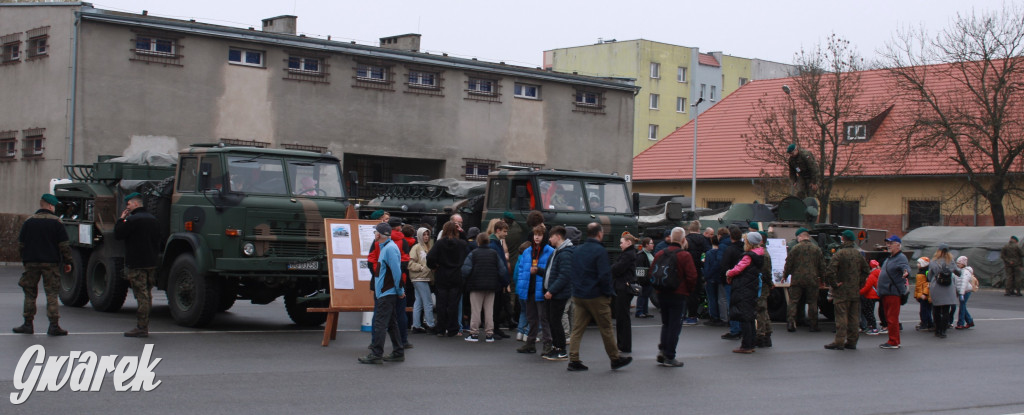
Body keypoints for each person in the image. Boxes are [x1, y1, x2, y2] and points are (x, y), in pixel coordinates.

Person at [566, 222, 633, 372]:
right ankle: (615, 358)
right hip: (596, 295)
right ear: (599, 234)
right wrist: (608, 293)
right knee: (606, 328)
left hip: (579, 295)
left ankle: (574, 359)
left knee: (577, 329)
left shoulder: (577, 250)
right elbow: (604, 275)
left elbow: (573, 272)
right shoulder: (600, 251)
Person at [13, 194, 73, 336]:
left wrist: (25, 260)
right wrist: (68, 261)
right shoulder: (57, 222)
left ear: (41, 205)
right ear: (51, 206)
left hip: (31, 262)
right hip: (50, 263)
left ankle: (28, 324)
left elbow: (21, 244)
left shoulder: (29, 222)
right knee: (51, 293)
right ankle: (53, 326)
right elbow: (64, 245)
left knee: (29, 293)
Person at [114, 192, 162, 338]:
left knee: (141, 296)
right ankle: (144, 325)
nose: (127, 207)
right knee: (147, 295)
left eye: (128, 204)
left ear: (135, 204)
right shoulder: (153, 220)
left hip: (137, 263)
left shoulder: (132, 220)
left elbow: (118, 235)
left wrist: (121, 219)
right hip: (151, 263)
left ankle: (141, 327)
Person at [359, 222, 406, 364]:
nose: (374, 234)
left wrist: (399, 290)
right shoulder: (387, 247)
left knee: (380, 323)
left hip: (387, 292)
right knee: (391, 323)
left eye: (375, 232)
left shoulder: (389, 249)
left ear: (379, 234)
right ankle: (398, 352)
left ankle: (376, 353)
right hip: (387, 291)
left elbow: (396, 272)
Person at [653, 227, 698, 367]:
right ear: (683, 240)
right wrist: (688, 291)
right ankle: (669, 355)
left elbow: (652, 272)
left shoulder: (660, 253)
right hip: (678, 294)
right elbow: (692, 276)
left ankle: (662, 349)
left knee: (666, 323)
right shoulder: (684, 255)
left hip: (662, 292)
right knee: (675, 325)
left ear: (670, 238)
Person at [824, 230, 870, 350]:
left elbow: (829, 271)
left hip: (841, 291)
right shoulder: (858, 254)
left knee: (841, 317)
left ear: (843, 239)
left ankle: (839, 341)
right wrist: (860, 283)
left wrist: (834, 284)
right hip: (854, 291)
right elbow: (866, 270)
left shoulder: (839, 254)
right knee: (854, 317)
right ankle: (852, 341)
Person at [515, 225, 554, 354]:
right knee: (531, 317)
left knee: (544, 318)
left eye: (539, 235)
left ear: (544, 237)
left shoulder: (550, 251)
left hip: (541, 289)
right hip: (529, 289)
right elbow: (521, 270)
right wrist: (521, 287)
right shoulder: (527, 251)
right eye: (535, 234)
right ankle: (530, 343)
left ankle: (548, 344)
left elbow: (551, 272)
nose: (536, 237)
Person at [462, 233, 507, 342]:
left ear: (478, 242)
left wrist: (465, 281)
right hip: (491, 286)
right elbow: (502, 270)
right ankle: (489, 334)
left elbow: (465, 270)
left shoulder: (473, 254)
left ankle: (474, 334)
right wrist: (504, 283)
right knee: (489, 311)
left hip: (476, 286)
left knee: (476, 311)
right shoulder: (494, 254)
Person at [426, 221, 468, 337]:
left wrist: (434, 266)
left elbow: (429, 257)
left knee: (441, 303)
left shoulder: (439, 243)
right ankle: (452, 328)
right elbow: (467, 246)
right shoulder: (461, 244)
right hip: (456, 275)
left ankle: (441, 328)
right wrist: (462, 232)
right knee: (453, 303)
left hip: (442, 274)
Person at [725, 232, 764, 354]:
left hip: (744, 288)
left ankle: (746, 345)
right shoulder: (760, 254)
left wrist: (728, 273)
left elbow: (738, 268)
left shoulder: (748, 256)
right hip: (751, 288)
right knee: (750, 316)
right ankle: (751, 342)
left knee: (744, 317)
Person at [542, 225, 575, 361]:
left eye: (551, 236)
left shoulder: (566, 253)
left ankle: (561, 350)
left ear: (558, 236)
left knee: (556, 321)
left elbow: (564, 276)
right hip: (553, 292)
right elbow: (552, 272)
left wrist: (551, 290)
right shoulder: (557, 251)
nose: (549, 239)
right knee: (552, 320)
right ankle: (556, 347)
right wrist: (538, 271)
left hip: (558, 294)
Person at [783, 227, 824, 333]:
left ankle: (791, 323)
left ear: (800, 237)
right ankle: (813, 325)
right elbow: (821, 266)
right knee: (812, 302)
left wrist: (784, 276)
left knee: (793, 301)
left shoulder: (795, 248)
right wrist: (823, 280)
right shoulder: (816, 249)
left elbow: (789, 263)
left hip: (797, 279)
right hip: (812, 279)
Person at [877, 235, 910, 349]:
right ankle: (892, 340)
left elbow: (905, 268)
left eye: (891, 243)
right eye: (888, 243)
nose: (889, 245)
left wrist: (906, 273)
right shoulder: (890, 258)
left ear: (898, 245)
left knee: (892, 318)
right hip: (886, 292)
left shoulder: (901, 258)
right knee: (888, 317)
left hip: (893, 292)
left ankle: (894, 341)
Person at [611, 232, 638, 354]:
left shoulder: (627, 255)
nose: (620, 245)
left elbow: (617, 269)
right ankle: (622, 344)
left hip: (623, 288)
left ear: (628, 242)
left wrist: (612, 268)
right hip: (623, 287)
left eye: (621, 242)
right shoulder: (628, 254)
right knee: (622, 317)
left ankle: (624, 345)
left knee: (623, 318)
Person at [928, 243, 960, 339]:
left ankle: (937, 330)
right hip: (948, 288)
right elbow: (958, 272)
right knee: (946, 311)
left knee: (936, 310)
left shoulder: (934, 261)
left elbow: (929, 275)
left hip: (936, 287)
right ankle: (943, 331)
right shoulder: (951, 261)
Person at [719, 226, 745, 340]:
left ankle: (735, 330)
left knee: (732, 306)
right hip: (743, 281)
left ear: (731, 237)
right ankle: (742, 328)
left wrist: (724, 279)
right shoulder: (744, 249)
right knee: (742, 306)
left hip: (731, 281)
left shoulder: (729, 250)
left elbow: (724, 266)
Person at [408, 227, 435, 334]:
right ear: (419, 235)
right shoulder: (417, 247)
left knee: (418, 301)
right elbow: (410, 263)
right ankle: (430, 324)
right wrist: (422, 268)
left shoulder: (426, 247)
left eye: (427, 234)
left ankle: (416, 325)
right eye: (424, 235)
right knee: (428, 302)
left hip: (420, 277)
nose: (426, 237)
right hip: (420, 277)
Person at [684, 221, 709, 326]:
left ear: (690, 228)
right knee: (695, 294)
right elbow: (708, 253)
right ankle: (694, 316)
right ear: (699, 229)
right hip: (698, 269)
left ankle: (686, 315)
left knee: (686, 293)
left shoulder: (686, 240)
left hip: (687, 269)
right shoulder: (704, 240)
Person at [703, 235, 726, 326]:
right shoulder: (722, 252)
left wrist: (706, 277)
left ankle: (714, 316)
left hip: (711, 278)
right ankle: (723, 316)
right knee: (721, 298)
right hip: (720, 278)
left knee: (712, 298)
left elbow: (707, 267)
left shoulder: (709, 253)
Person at [635, 237, 656, 319]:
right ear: (646, 245)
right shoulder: (641, 255)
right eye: (651, 243)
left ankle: (644, 311)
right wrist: (642, 280)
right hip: (644, 279)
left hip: (649, 278)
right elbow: (640, 269)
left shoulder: (650, 253)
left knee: (646, 295)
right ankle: (639, 311)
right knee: (642, 295)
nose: (653, 245)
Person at [859, 260, 881, 335]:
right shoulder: (878, 274)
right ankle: (872, 327)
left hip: (870, 296)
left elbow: (867, 287)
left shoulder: (871, 275)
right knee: (870, 311)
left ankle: (873, 328)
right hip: (874, 296)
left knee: (868, 312)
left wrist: (859, 292)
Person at [955, 256, 976, 329]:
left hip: (965, 291)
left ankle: (960, 323)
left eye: (959, 263)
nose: (957, 264)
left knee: (962, 306)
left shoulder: (966, 272)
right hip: (961, 291)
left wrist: (961, 293)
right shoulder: (959, 271)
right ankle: (969, 321)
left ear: (963, 264)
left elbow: (964, 283)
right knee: (962, 306)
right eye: (957, 263)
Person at [913, 257, 934, 332]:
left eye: (919, 263)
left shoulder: (926, 272)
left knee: (925, 310)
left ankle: (927, 323)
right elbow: (918, 285)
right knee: (924, 310)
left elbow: (928, 284)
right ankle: (926, 323)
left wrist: (924, 294)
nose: (917, 264)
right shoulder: (921, 272)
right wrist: (917, 294)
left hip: (925, 295)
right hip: (921, 294)